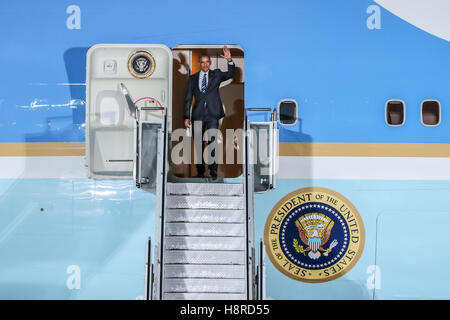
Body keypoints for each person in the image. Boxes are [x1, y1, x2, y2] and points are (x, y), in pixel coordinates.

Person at [183, 46, 235, 179]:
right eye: (202, 62)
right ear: (199, 64)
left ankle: (213, 172)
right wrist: (186, 117)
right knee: (198, 144)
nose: (205, 64)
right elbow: (188, 98)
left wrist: (229, 60)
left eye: (207, 62)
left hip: (212, 115)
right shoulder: (193, 78)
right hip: (198, 115)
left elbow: (230, 74)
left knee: (213, 143)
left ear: (210, 63)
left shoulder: (216, 74)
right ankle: (200, 172)